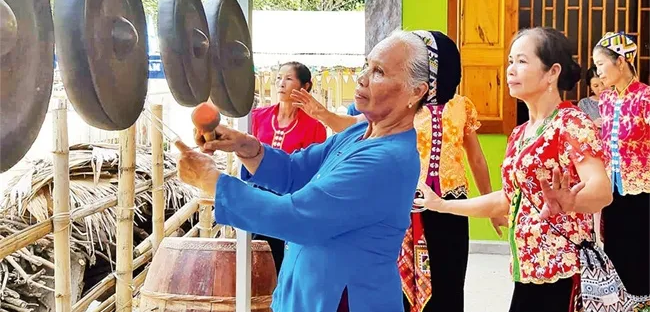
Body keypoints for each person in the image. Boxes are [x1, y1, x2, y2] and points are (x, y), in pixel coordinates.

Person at [174, 29, 440, 312]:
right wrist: (245, 145)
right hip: (306, 293)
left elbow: (297, 218)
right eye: (366, 65)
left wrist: (212, 180)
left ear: (416, 91)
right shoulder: (361, 132)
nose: (361, 78)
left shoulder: (388, 160)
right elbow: (294, 171)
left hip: (342, 300)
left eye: (379, 72)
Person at [291, 31, 506, 312]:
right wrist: (323, 115)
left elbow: (476, 158)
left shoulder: (461, 106)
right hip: (406, 205)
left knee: (449, 283)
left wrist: (490, 205)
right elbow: (356, 125)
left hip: (451, 206)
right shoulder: (403, 104)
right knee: (401, 286)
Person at [413, 27, 613, 312]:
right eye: (509, 61)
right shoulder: (520, 134)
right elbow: (508, 199)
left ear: (552, 72)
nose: (510, 70)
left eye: (521, 61)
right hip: (527, 269)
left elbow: (601, 190)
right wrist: (442, 205)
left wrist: (572, 201)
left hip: (562, 269)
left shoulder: (571, 124)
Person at [250, 61, 327, 274]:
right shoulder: (258, 117)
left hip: (290, 205)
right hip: (256, 201)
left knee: (284, 264)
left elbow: (313, 171)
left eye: (288, 78)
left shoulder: (315, 127)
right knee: (255, 262)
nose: (281, 83)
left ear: (306, 87)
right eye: (278, 78)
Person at [593, 31, 650, 296]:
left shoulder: (645, 98)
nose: (598, 73)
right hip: (612, 191)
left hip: (642, 191)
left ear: (620, 62)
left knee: (641, 251)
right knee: (614, 251)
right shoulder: (605, 99)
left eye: (601, 65)